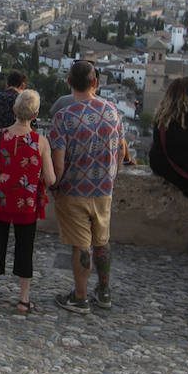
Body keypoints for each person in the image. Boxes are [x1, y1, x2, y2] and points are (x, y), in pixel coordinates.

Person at [0, 89, 56, 314]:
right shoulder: (40, 142)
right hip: (26, 206)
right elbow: (52, 179)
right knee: (25, 249)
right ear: (35, 115)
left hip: (0, 202)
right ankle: (23, 299)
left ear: (14, 110)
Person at [49, 60, 124, 314]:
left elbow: (58, 162)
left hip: (73, 190)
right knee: (102, 241)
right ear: (96, 83)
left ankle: (80, 297)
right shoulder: (113, 111)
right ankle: (104, 292)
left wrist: (54, 185)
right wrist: (113, 176)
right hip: (103, 188)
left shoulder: (63, 117)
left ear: (69, 82)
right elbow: (121, 150)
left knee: (81, 245)